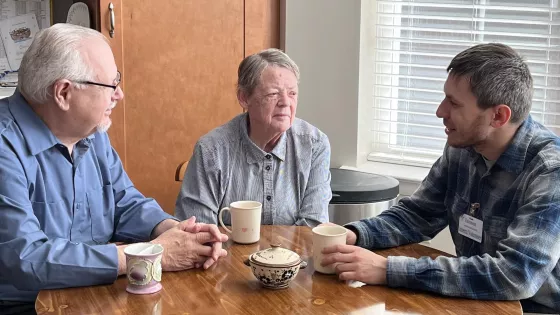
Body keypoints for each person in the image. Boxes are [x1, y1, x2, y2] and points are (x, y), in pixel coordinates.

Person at [0, 24, 228, 314]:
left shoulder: (92, 134)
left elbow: (125, 202)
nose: (119, 94)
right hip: (24, 307)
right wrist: (148, 255)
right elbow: (25, 257)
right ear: (64, 93)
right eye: (111, 84)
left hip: (95, 297)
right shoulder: (5, 146)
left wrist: (176, 232)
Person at [321, 43, 560, 314]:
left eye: (454, 103)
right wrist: (355, 235)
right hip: (471, 299)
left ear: (499, 115)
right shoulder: (463, 145)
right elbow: (419, 215)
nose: (440, 111)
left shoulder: (551, 171)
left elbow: (516, 275)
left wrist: (387, 270)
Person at [175, 48, 331, 227]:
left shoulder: (314, 145)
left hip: (295, 254)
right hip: (225, 254)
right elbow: (199, 231)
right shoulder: (211, 149)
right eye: (273, 94)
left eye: (292, 93)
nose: (286, 102)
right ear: (244, 97)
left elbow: (312, 226)